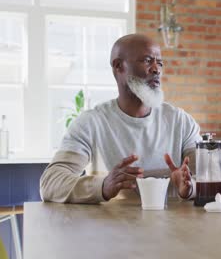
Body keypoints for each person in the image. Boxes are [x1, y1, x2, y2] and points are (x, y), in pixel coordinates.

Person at [40, 34, 200, 203]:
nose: (156, 69)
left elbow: (208, 180)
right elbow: (50, 184)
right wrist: (103, 185)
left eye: (159, 63)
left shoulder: (181, 122)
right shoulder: (91, 123)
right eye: (147, 61)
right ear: (118, 66)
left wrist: (190, 188)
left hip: (175, 228)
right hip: (110, 227)